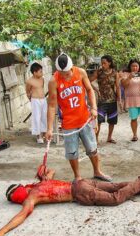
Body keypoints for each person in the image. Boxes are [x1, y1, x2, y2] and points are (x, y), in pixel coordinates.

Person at [0, 170, 140, 236]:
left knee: (115, 198)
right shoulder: (35, 186)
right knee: (116, 186)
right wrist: (43, 173)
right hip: (80, 182)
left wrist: (2, 231)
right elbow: (51, 173)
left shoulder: (32, 196)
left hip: (79, 192)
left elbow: (22, 216)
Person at [46, 53, 110, 182]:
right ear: (58, 71)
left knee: (92, 148)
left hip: (84, 119)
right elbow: (52, 105)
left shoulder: (80, 72)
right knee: (72, 152)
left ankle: (97, 171)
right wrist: (49, 129)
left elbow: (90, 90)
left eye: (68, 73)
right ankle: (77, 177)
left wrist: (94, 108)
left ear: (71, 67)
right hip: (68, 124)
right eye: (62, 74)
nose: (66, 76)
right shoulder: (53, 81)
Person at [91, 55, 121, 144]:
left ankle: (109, 137)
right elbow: (88, 81)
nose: (102, 65)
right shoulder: (99, 72)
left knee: (112, 120)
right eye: (102, 63)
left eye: (104, 63)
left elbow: (117, 87)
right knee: (99, 120)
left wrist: (119, 100)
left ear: (109, 63)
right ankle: (95, 139)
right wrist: (96, 90)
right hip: (101, 101)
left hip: (112, 100)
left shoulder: (115, 73)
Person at [121, 59, 140, 141]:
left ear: (139, 66)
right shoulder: (125, 74)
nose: (135, 68)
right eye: (133, 66)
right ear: (130, 66)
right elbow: (124, 85)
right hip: (131, 100)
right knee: (134, 118)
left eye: (136, 66)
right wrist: (129, 77)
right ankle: (135, 135)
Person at [25, 62, 47, 144]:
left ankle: (44, 134)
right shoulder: (29, 81)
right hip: (35, 100)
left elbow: (42, 88)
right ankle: (39, 136)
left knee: (44, 117)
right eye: (40, 71)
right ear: (34, 72)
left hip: (43, 100)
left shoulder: (42, 79)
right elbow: (27, 91)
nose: (42, 73)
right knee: (37, 118)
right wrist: (31, 100)